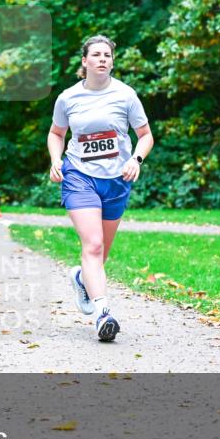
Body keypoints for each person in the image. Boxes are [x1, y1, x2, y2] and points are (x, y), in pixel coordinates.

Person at [48, 35, 154, 342]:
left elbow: (145, 135)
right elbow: (56, 133)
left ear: (112, 61)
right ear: (85, 61)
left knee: (101, 252)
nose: (102, 59)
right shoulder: (68, 98)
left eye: (107, 55)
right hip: (79, 175)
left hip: (117, 180)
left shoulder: (126, 95)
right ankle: (103, 314)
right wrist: (55, 160)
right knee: (92, 245)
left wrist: (136, 159)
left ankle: (82, 278)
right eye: (96, 54)